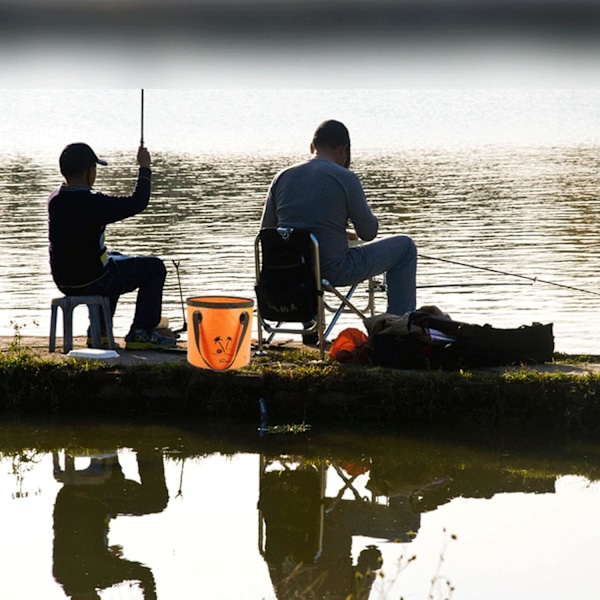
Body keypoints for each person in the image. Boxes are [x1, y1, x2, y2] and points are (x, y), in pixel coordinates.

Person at [260, 119, 417, 323]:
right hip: (334, 269)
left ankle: (310, 327)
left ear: (312, 147)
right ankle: (399, 326)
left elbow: (267, 232)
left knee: (307, 254)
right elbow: (369, 232)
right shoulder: (346, 178)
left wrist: (334, 231)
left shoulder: (282, 177)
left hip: (290, 270)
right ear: (344, 149)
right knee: (405, 246)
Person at [47, 142, 176, 350]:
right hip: (92, 279)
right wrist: (145, 167)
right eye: (94, 169)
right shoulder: (93, 202)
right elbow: (138, 202)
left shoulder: (55, 200)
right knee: (155, 268)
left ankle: (100, 332)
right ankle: (140, 332)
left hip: (64, 280)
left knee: (113, 258)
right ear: (89, 171)